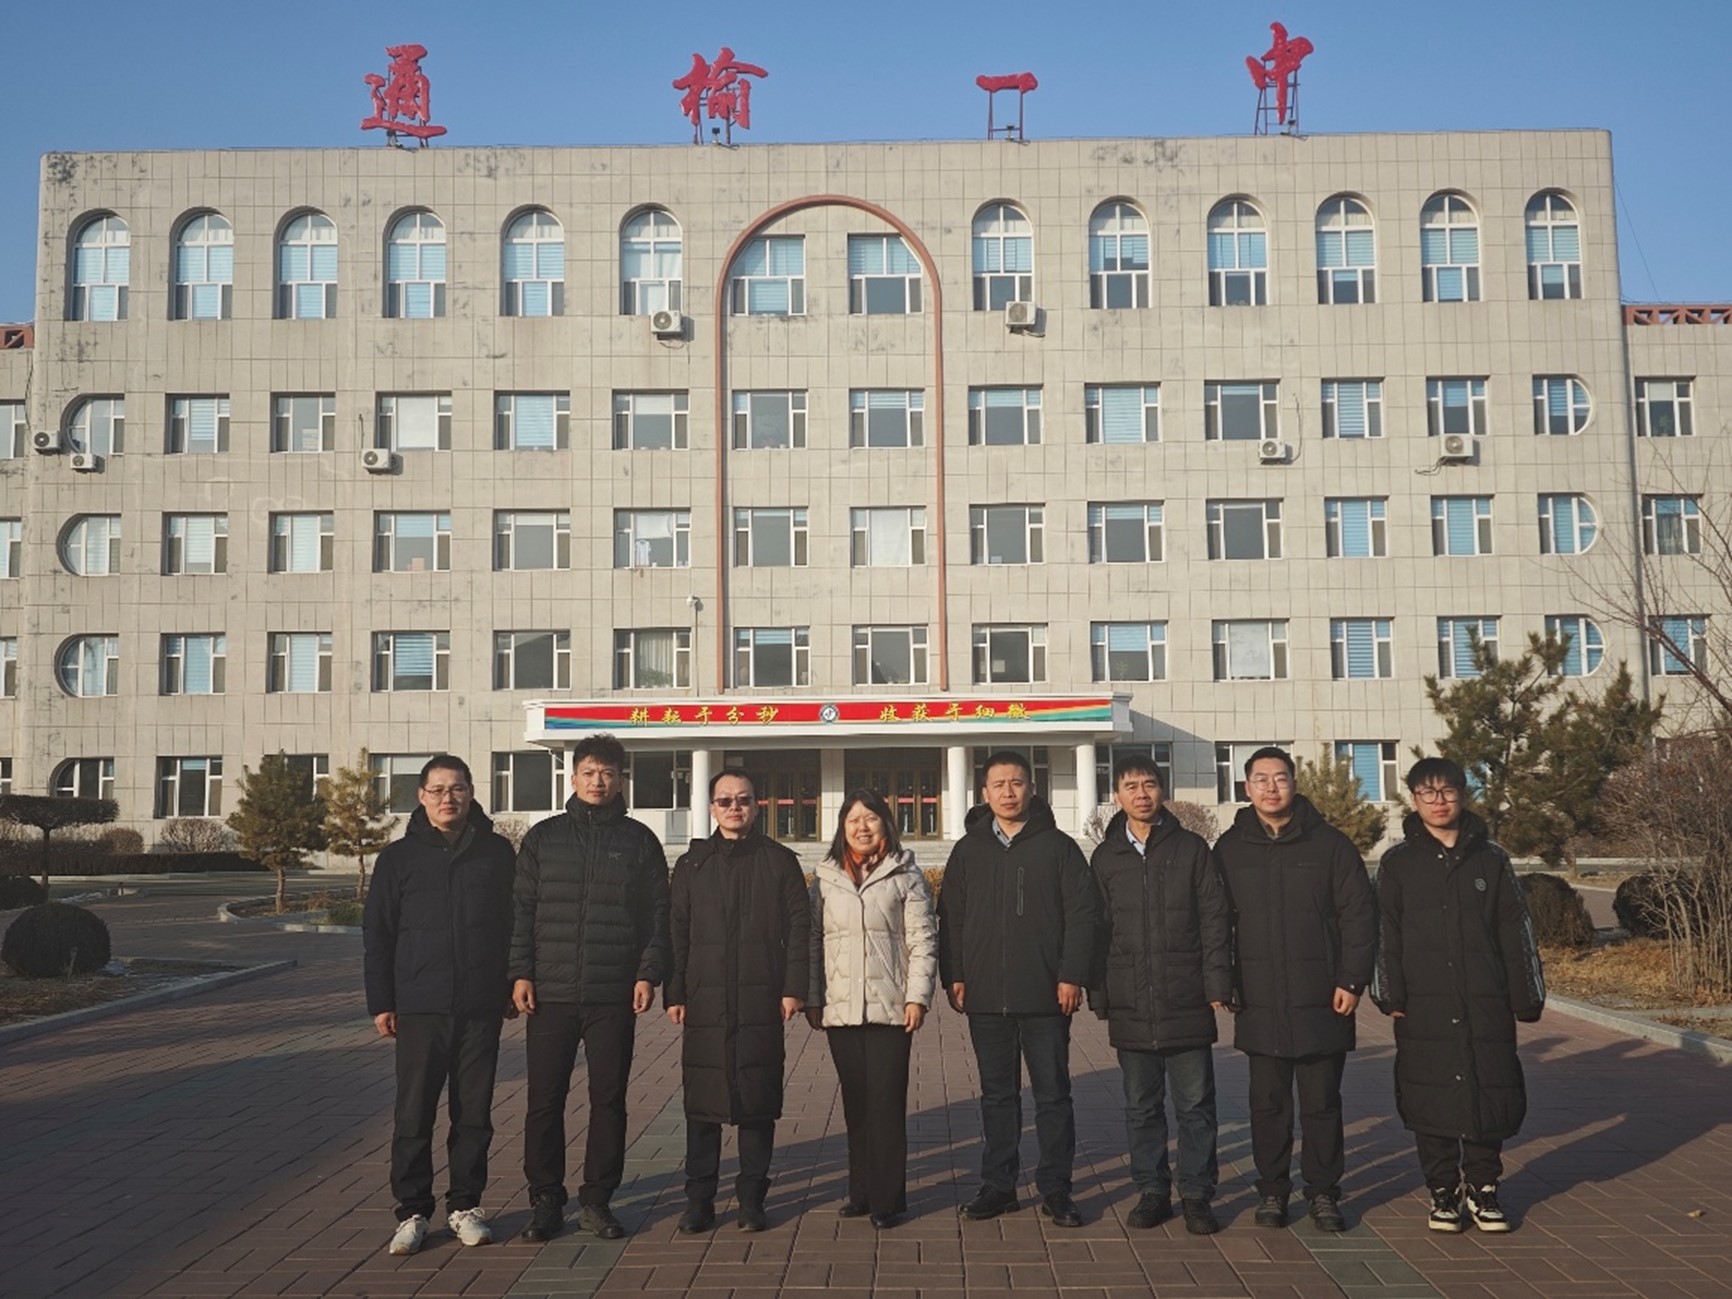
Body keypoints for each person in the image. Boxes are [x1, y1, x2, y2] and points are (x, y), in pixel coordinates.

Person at [508, 733, 670, 1242]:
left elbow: (656, 917)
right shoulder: (543, 839)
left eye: (608, 773)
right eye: (589, 773)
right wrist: (520, 971)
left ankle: (598, 1200)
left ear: (621, 780)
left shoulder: (639, 841)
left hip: (612, 994)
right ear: (573, 777)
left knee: (609, 1099)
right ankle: (546, 1200)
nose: (598, 781)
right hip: (550, 993)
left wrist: (647, 973)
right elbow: (521, 911)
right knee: (544, 1101)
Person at [1372, 757, 1545, 1234]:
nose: (1439, 801)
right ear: (1413, 800)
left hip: (1484, 999)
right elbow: (1384, 933)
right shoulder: (1398, 863)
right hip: (1422, 1002)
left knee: (1488, 1090)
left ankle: (1484, 1187)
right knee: (1430, 1096)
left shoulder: (1491, 859)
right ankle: (1443, 1189)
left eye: (1447, 791)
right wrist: (1389, 992)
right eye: (1427, 793)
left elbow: (1516, 930)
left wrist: (1525, 994)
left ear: (1463, 795)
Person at [1213, 746, 1377, 1233]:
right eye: (1261, 779)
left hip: (1322, 996)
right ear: (1246, 788)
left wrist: (1352, 979)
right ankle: (1273, 1191)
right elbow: (1214, 922)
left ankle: (1323, 1192)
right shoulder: (1230, 849)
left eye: (1280, 778)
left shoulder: (1330, 845)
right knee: (1268, 1105)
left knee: (1322, 1103)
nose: (1271, 787)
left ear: (1294, 783)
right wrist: (1222, 980)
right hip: (1258, 997)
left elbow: (1358, 916)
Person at [363, 755, 517, 1256]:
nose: (448, 798)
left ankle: (465, 1206)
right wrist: (382, 1001)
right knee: (413, 1114)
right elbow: (378, 934)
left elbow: (513, 924)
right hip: (420, 1005)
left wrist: (510, 984)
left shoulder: (496, 853)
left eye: (457, 788)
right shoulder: (398, 858)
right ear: (421, 797)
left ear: (471, 792)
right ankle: (412, 1211)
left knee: (473, 1113)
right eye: (438, 789)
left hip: (479, 1005)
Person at [937, 750, 1098, 1227]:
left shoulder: (1059, 847)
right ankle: (999, 1186)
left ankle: (1057, 1188)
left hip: (1046, 995)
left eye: (1016, 783)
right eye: (999, 785)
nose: (1008, 792)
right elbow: (952, 919)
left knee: (1053, 1096)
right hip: (986, 996)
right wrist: (955, 974)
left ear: (1032, 788)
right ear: (984, 793)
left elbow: (1083, 915)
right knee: (997, 1097)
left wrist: (1071, 975)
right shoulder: (968, 851)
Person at [1088, 754, 1232, 1235]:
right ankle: (1152, 1191)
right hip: (1130, 998)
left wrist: (1217, 983)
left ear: (1162, 790)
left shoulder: (1191, 849)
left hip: (1185, 994)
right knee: (1141, 1106)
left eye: (1149, 784)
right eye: (1131, 786)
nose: (1141, 794)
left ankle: (1197, 1194)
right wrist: (1100, 993)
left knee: (1195, 1106)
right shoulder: (1106, 858)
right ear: (1116, 796)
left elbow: (1214, 919)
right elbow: (1097, 929)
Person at [666, 769, 810, 1233]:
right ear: (712, 807)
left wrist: (793, 988)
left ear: (756, 805)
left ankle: (751, 1199)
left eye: (743, 800)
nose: (734, 807)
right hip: (704, 1000)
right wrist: (675, 991)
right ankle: (699, 1200)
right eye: (725, 800)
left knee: (757, 1101)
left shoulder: (779, 861)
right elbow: (676, 931)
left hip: (760, 998)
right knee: (702, 1106)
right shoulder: (693, 864)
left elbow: (800, 929)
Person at [806, 788, 938, 1229]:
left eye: (871, 818)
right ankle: (860, 1191)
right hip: (841, 1009)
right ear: (842, 828)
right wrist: (814, 998)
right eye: (853, 820)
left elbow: (923, 941)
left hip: (890, 1009)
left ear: (886, 823)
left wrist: (917, 997)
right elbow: (813, 943)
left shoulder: (906, 874)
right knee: (856, 1104)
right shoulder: (825, 878)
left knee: (885, 1104)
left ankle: (888, 1199)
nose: (862, 827)